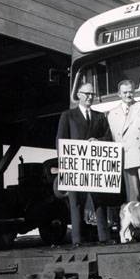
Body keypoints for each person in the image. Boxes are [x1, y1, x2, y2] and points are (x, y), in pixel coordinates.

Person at [56, 82, 111, 247]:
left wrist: (98, 141)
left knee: (99, 200)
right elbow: (60, 140)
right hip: (74, 165)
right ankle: (77, 240)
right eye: (86, 94)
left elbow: (109, 138)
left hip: (95, 166)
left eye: (92, 94)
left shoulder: (100, 116)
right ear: (78, 95)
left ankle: (104, 237)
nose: (89, 97)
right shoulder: (68, 115)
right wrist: (64, 164)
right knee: (76, 202)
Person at [107, 79, 140, 202]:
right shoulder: (112, 113)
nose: (128, 95)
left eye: (131, 92)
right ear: (119, 94)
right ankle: (135, 221)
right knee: (133, 197)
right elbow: (111, 137)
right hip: (126, 158)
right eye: (125, 93)